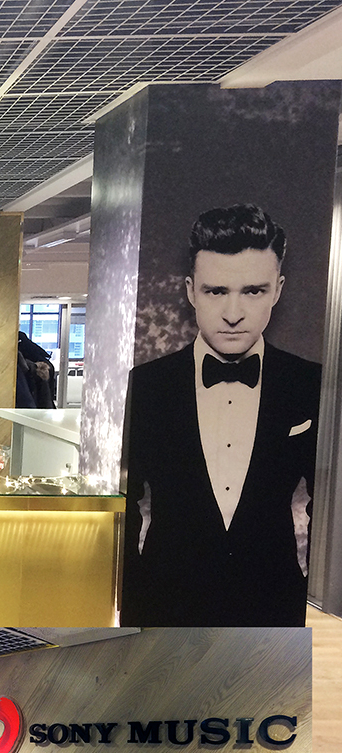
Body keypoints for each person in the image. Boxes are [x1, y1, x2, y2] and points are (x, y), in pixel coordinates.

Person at [121, 204, 320, 627]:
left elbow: (330, 505)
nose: (233, 313)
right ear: (191, 291)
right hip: (164, 602)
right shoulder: (147, 384)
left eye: (253, 291)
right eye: (216, 291)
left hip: (274, 605)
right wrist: (132, 600)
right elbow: (124, 502)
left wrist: (310, 587)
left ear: (278, 290)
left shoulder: (310, 383)